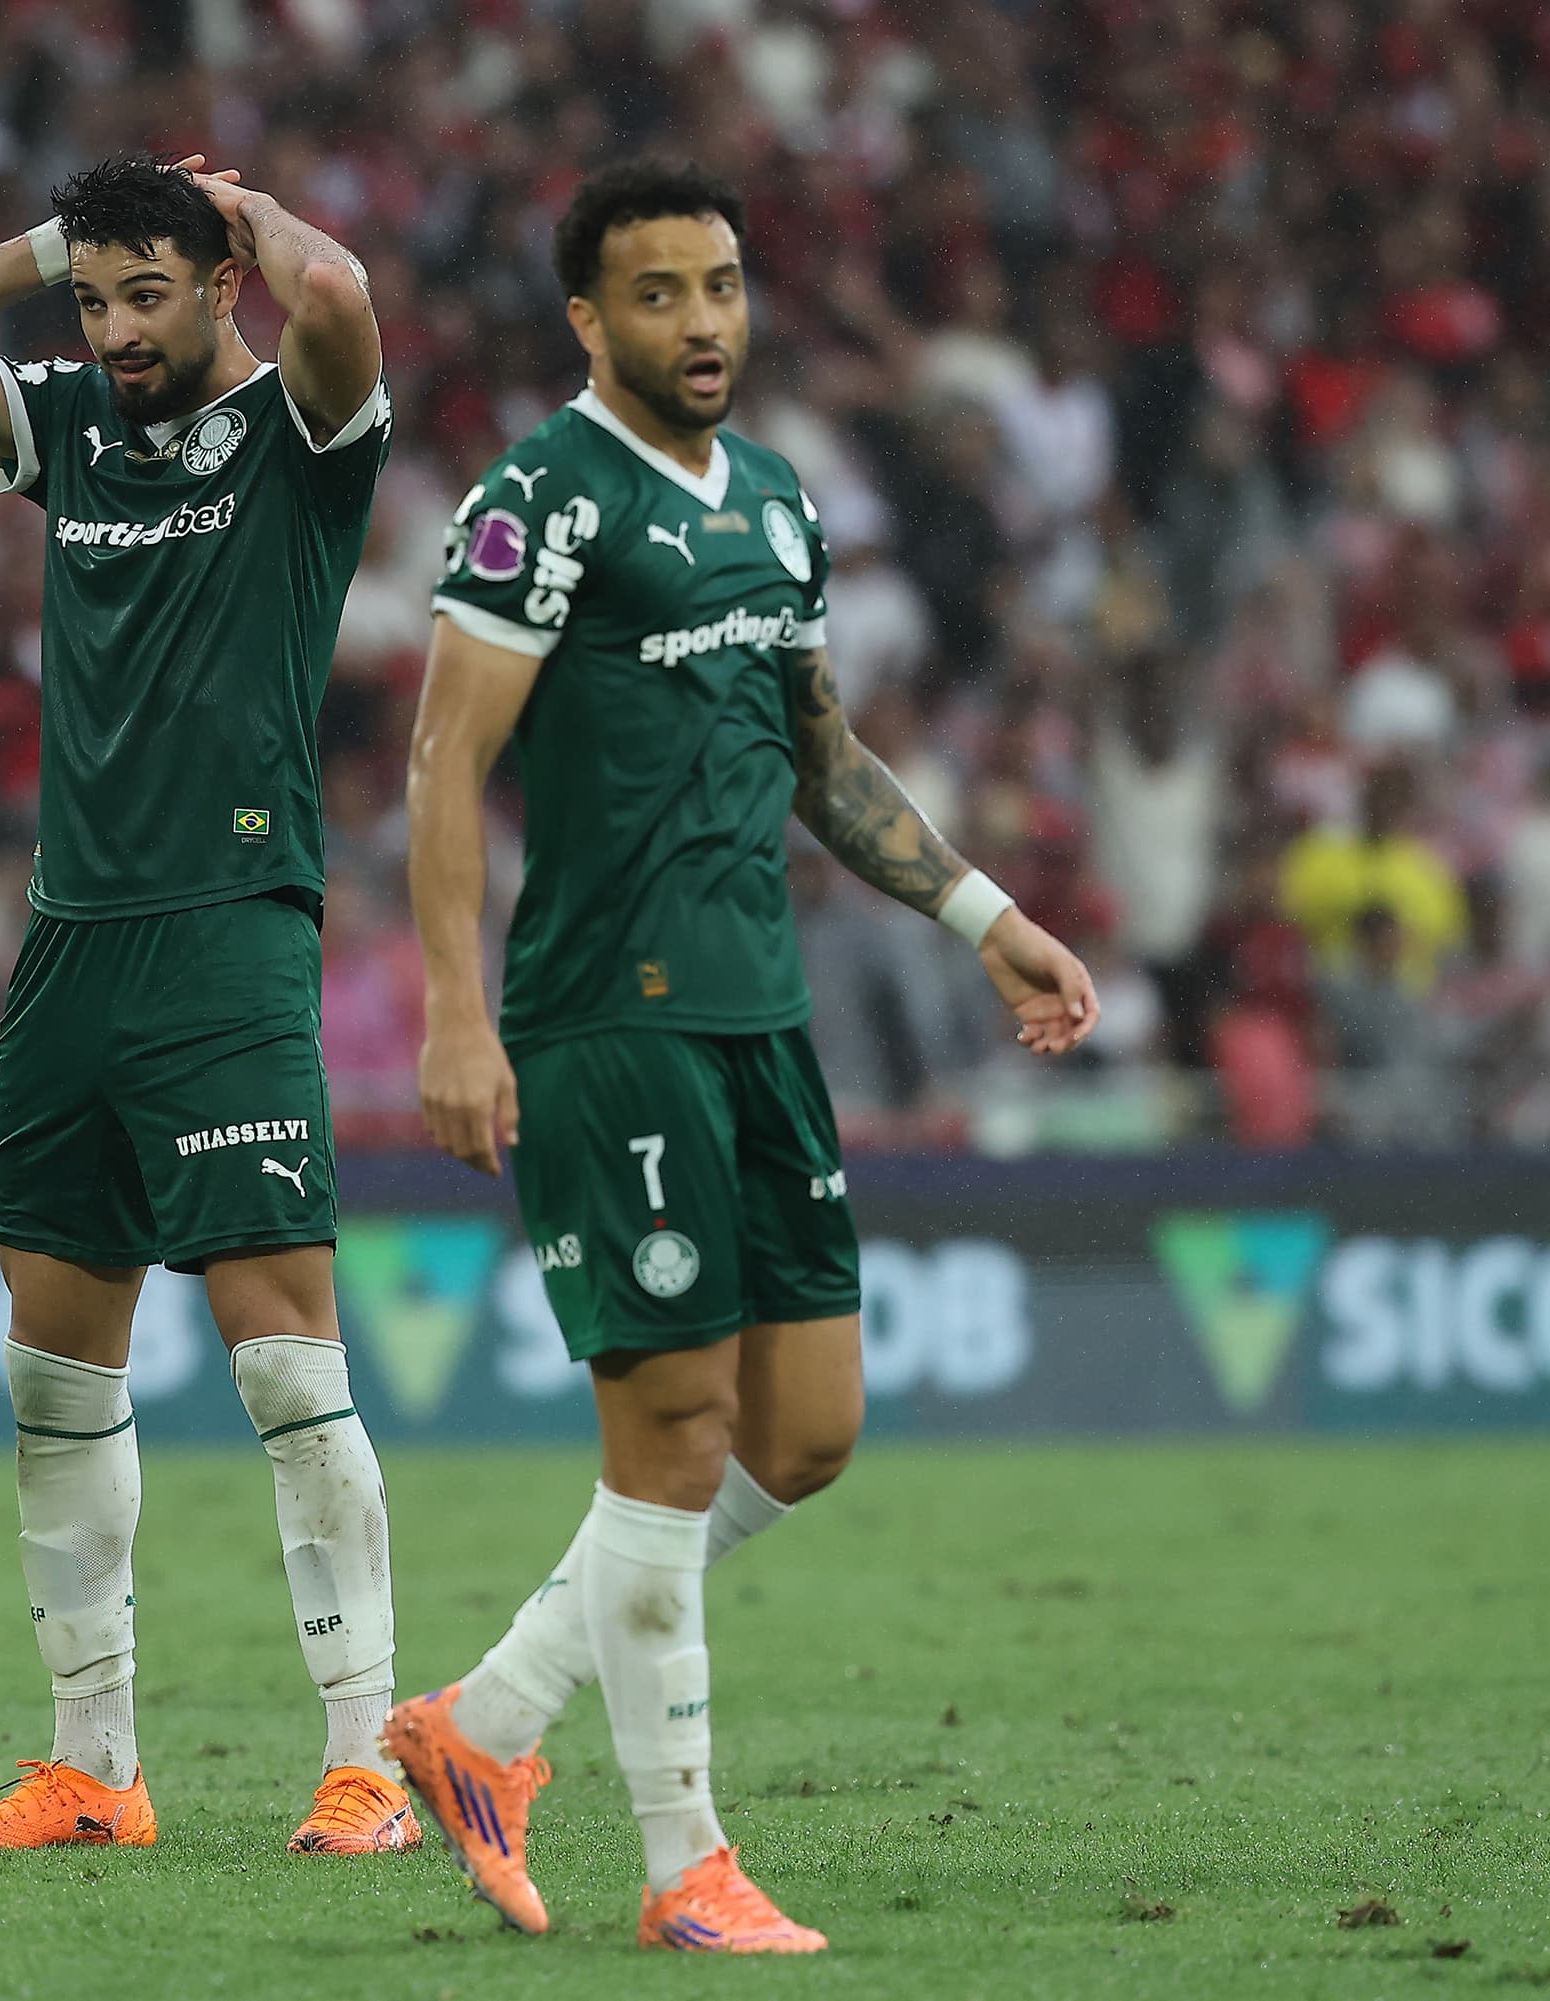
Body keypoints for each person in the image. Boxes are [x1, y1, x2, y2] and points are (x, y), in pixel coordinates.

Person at [387, 159, 1101, 1955]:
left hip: (760, 1018)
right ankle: (686, 1866)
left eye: (720, 286)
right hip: (606, 1024)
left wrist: (985, 911)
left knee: (812, 1431)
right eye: (658, 294)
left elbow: (824, 762)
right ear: (587, 318)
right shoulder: (542, 500)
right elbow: (440, 763)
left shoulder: (779, 509)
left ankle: (480, 1727)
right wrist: (456, 1014)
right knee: (678, 1435)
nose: (701, 322)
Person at [0, 151, 411, 1855]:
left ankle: (364, 1763)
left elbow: (352, 303)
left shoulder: (304, 445)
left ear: (221, 283)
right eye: (91, 302)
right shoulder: (72, 428)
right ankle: (95, 1766)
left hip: (230, 937)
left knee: (286, 1364)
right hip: (69, 948)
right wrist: (46, 245)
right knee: (55, 1378)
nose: (113, 330)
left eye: (145, 293)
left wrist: (251, 218)